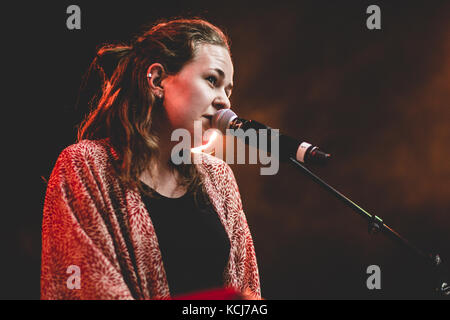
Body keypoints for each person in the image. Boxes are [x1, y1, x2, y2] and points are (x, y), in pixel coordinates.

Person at [41, 18, 261, 300]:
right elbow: (91, 289)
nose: (225, 102)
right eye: (212, 80)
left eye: (228, 90)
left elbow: (247, 290)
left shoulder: (219, 177)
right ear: (157, 80)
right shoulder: (84, 165)